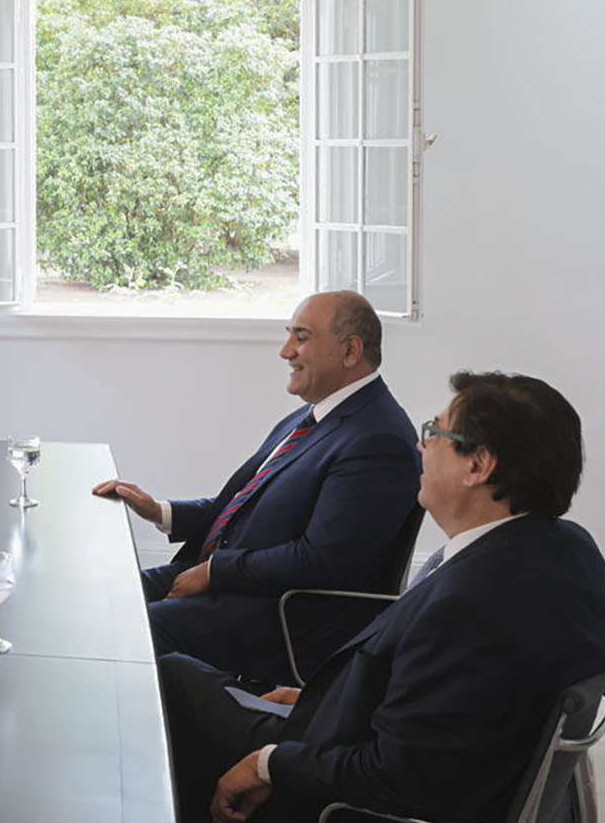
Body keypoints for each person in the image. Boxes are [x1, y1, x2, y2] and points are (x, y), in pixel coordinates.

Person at [159, 372, 605, 823]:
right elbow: (457, 707)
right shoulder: (566, 550)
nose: (420, 444)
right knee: (184, 676)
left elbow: (394, 777)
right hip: (448, 792)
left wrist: (266, 763)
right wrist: (319, 698)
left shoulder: (469, 604)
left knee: (170, 686)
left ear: (479, 466)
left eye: (436, 431)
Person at [93, 291, 418, 682]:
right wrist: (161, 511)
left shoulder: (378, 440)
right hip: (235, 584)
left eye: (301, 337)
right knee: (103, 594)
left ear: (350, 351)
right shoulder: (315, 415)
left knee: (127, 630)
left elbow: (323, 562)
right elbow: (253, 505)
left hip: (281, 616)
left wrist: (216, 571)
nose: (286, 351)